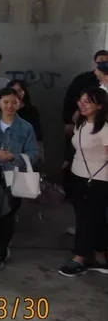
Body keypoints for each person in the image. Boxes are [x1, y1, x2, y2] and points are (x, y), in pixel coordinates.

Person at [0, 87, 40, 272]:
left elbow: (34, 152)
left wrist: (14, 158)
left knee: (7, 214)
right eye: (6, 102)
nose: (10, 106)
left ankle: (0, 251)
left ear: (19, 103)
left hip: (13, 176)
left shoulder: (26, 127)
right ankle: (1, 242)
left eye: (14, 102)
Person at [58, 88, 108, 277]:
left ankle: (80, 258)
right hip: (78, 177)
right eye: (81, 100)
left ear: (100, 105)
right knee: (94, 219)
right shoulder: (81, 123)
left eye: (88, 101)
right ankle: (99, 254)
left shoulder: (104, 129)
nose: (82, 104)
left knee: (86, 220)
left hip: (98, 180)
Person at [62, 51, 108, 135]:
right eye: (101, 60)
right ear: (95, 62)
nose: (105, 62)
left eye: (107, 60)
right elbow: (70, 99)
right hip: (82, 121)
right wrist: (68, 121)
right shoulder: (83, 79)